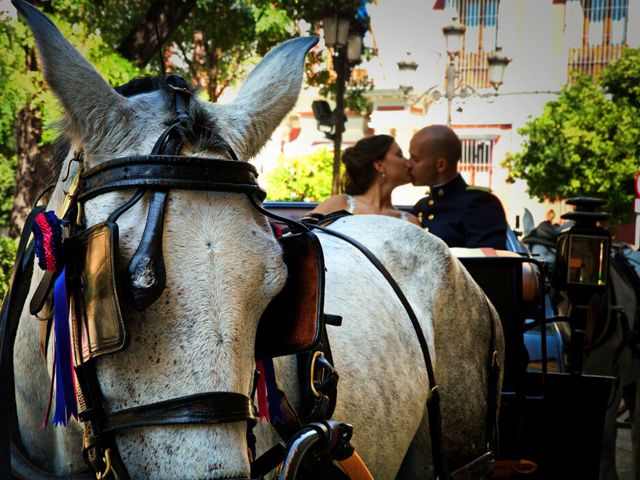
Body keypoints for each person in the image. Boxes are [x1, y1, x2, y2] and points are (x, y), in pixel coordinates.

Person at [408, 125, 508, 249]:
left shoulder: (480, 204)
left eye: (415, 159)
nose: (408, 164)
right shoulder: (421, 207)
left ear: (441, 165)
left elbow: (485, 264)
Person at [310, 134, 420, 225]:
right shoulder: (339, 204)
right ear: (379, 165)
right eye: (399, 155)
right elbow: (300, 238)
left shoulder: (410, 221)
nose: (408, 163)